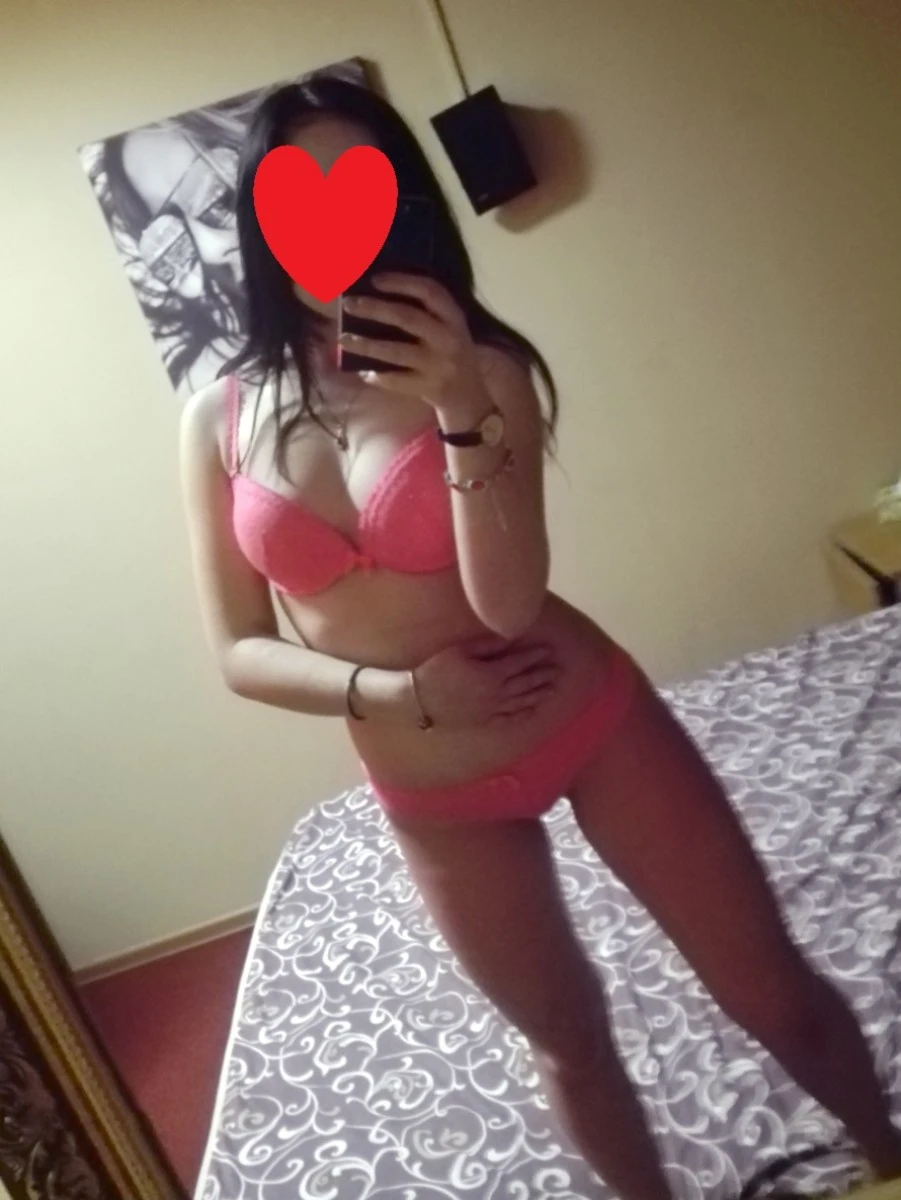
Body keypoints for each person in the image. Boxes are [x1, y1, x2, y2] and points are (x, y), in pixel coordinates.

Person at [179, 76, 901, 1200]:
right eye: (295, 197)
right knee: (568, 1042)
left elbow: (509, 603)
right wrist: (407, 694)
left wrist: (459, 407)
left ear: (404, 207)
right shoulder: (217, 418)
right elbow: (236, 650)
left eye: (358, 192)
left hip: (584, 718)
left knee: (770, 994)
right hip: (432, 788)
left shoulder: (482, 369)